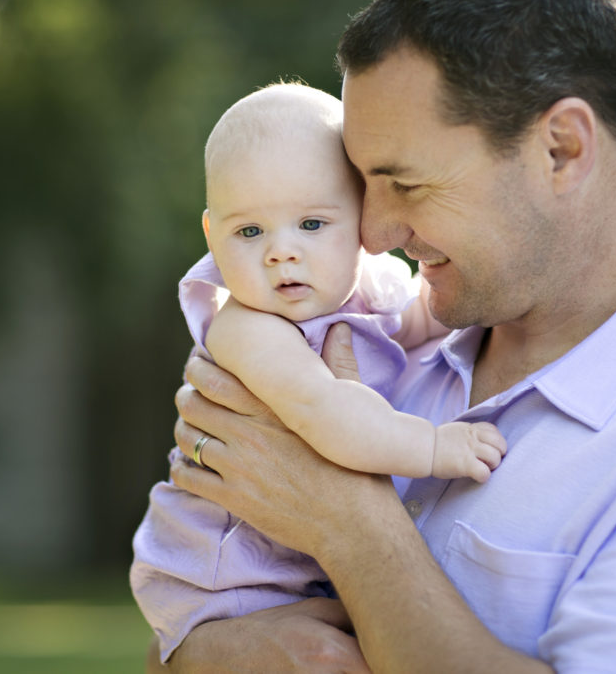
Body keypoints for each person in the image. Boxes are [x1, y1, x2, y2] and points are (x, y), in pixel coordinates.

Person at [147, 0, 616, 671]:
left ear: (562, 148)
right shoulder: (385, 332)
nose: (372, 231)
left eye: (405, 183)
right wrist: (205, 650)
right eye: (361, 184)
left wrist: (350, 525)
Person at [131, 81, 507, 663]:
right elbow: (327, 415)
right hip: (229, 579)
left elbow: (415, 324)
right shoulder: (246, 326)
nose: (281, 252)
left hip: (299, 562)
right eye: (249, 231)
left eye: (312, 223)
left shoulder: (363, 292)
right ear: (212, 234)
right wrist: (433, 447)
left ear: (361, 219)